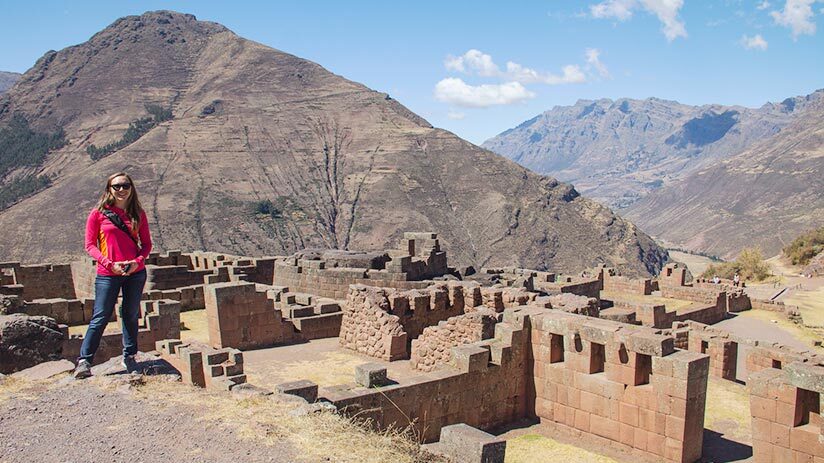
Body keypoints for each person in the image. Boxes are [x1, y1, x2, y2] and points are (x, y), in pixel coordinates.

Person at [73, 172, 152, 379]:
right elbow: (90, 245)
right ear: (109, 189)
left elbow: (147, 245)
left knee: (130, 314)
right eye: (116, 186)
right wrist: (109, 264)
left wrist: (137, 262)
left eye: (125, 185)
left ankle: (130, 356)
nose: (121, 189)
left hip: (134, 273)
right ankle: (84, 361)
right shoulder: (98, 214)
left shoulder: (138, 214)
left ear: (131, 188)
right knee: (100, 316)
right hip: (108, 273)